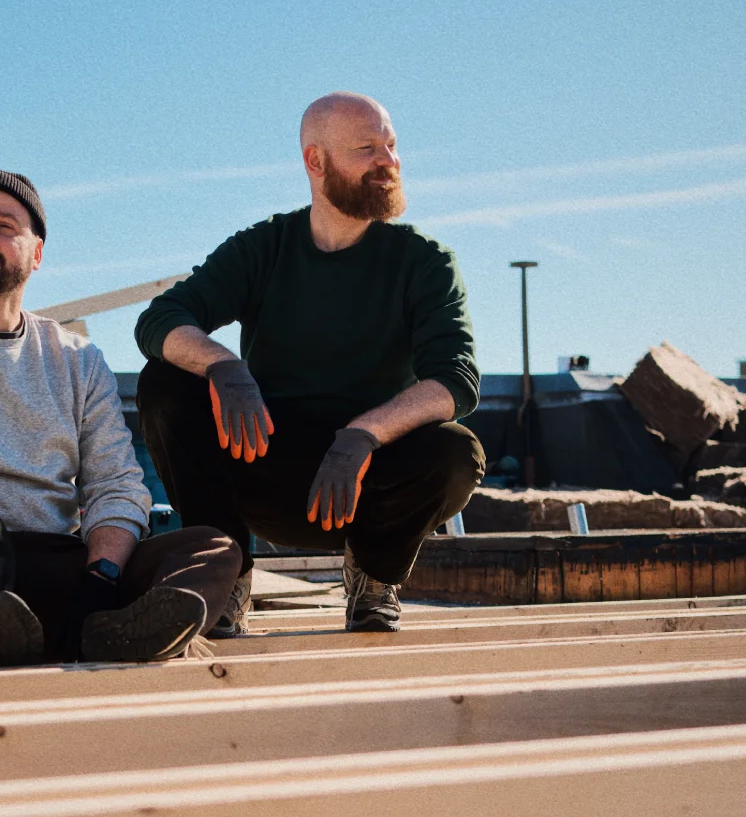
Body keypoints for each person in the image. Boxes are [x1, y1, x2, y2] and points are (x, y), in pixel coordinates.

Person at [0, 169, 241, 668]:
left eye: (4, 225)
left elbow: (116, 484)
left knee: (213, 548)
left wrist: (100, 578)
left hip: (54, 571)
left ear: (37, 254)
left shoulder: (76, 359)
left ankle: (103, 630)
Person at [134, 92, 484, 634]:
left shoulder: (423, 261)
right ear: (315, 161)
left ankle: (372, 579)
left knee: (456, 451)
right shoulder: (264, 248)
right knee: (166, 383)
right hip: (265, 465)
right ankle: (225, 577)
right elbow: (160, 321)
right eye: (367, 149)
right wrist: (225, 367)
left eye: (391, 146)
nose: (388, 162)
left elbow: (455, 379)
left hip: (366, 486)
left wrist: (363, 434)